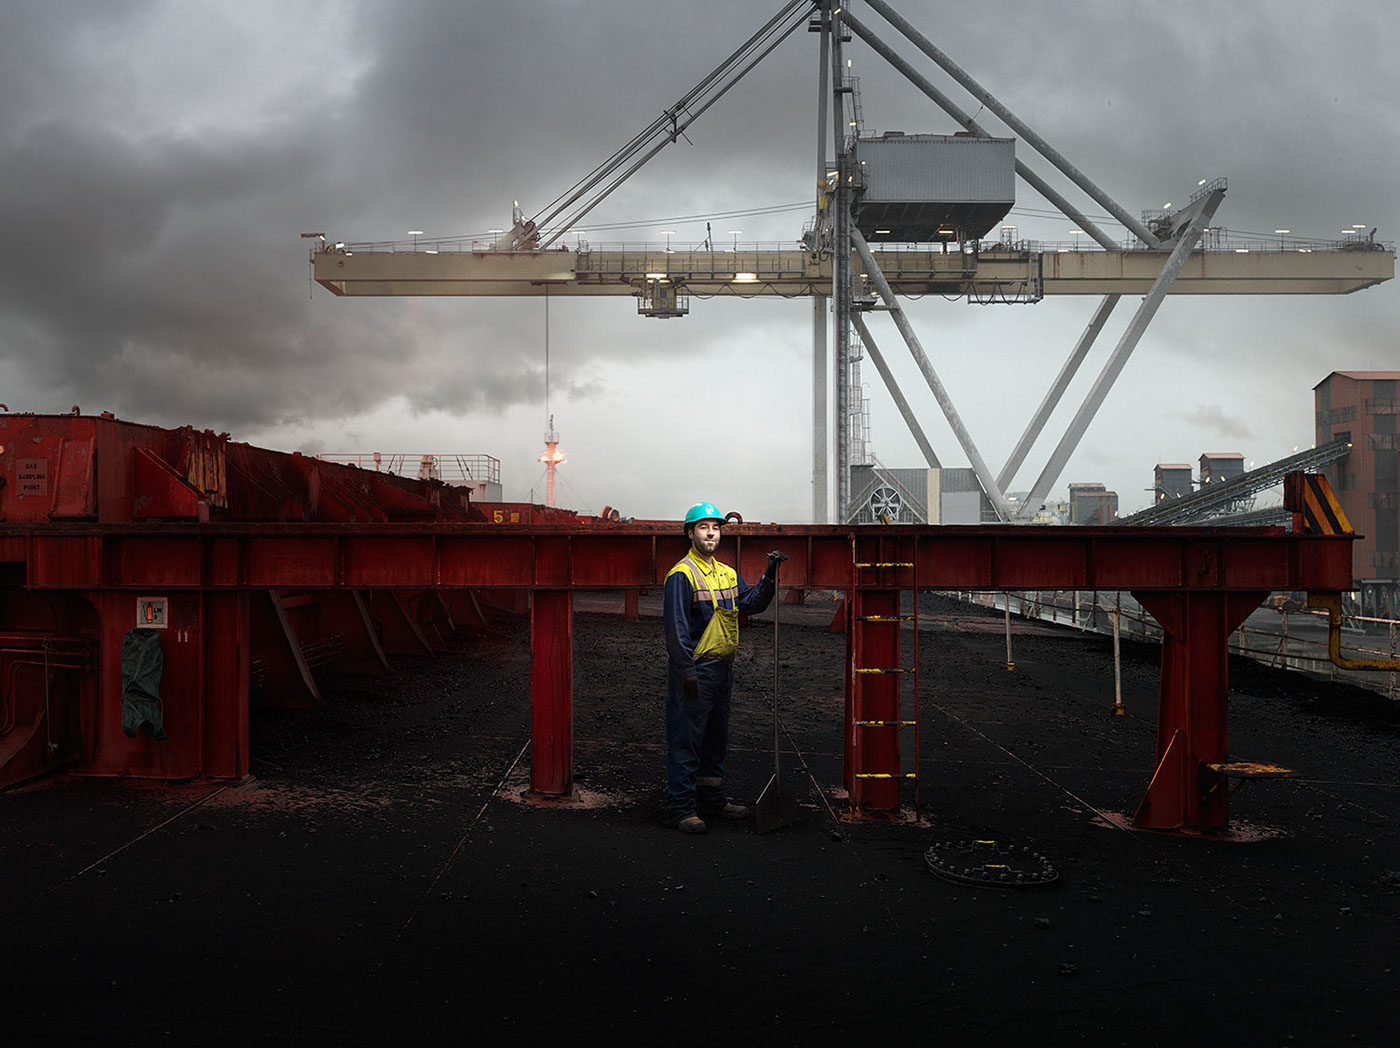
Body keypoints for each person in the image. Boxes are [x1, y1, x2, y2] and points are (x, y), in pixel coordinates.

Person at [663, 502, 786, 834]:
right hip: (696, 670)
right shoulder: (681, 575)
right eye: (703, 528)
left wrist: (769, 574)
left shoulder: (727, 574)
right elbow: (676, 629)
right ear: (690, 533)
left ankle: (712, 800)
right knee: (686, 739)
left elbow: (752, 604)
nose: (710, 533)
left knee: (716, 739)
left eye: (715, 528)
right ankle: (683, 808)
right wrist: (686, 671)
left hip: (722, 670)